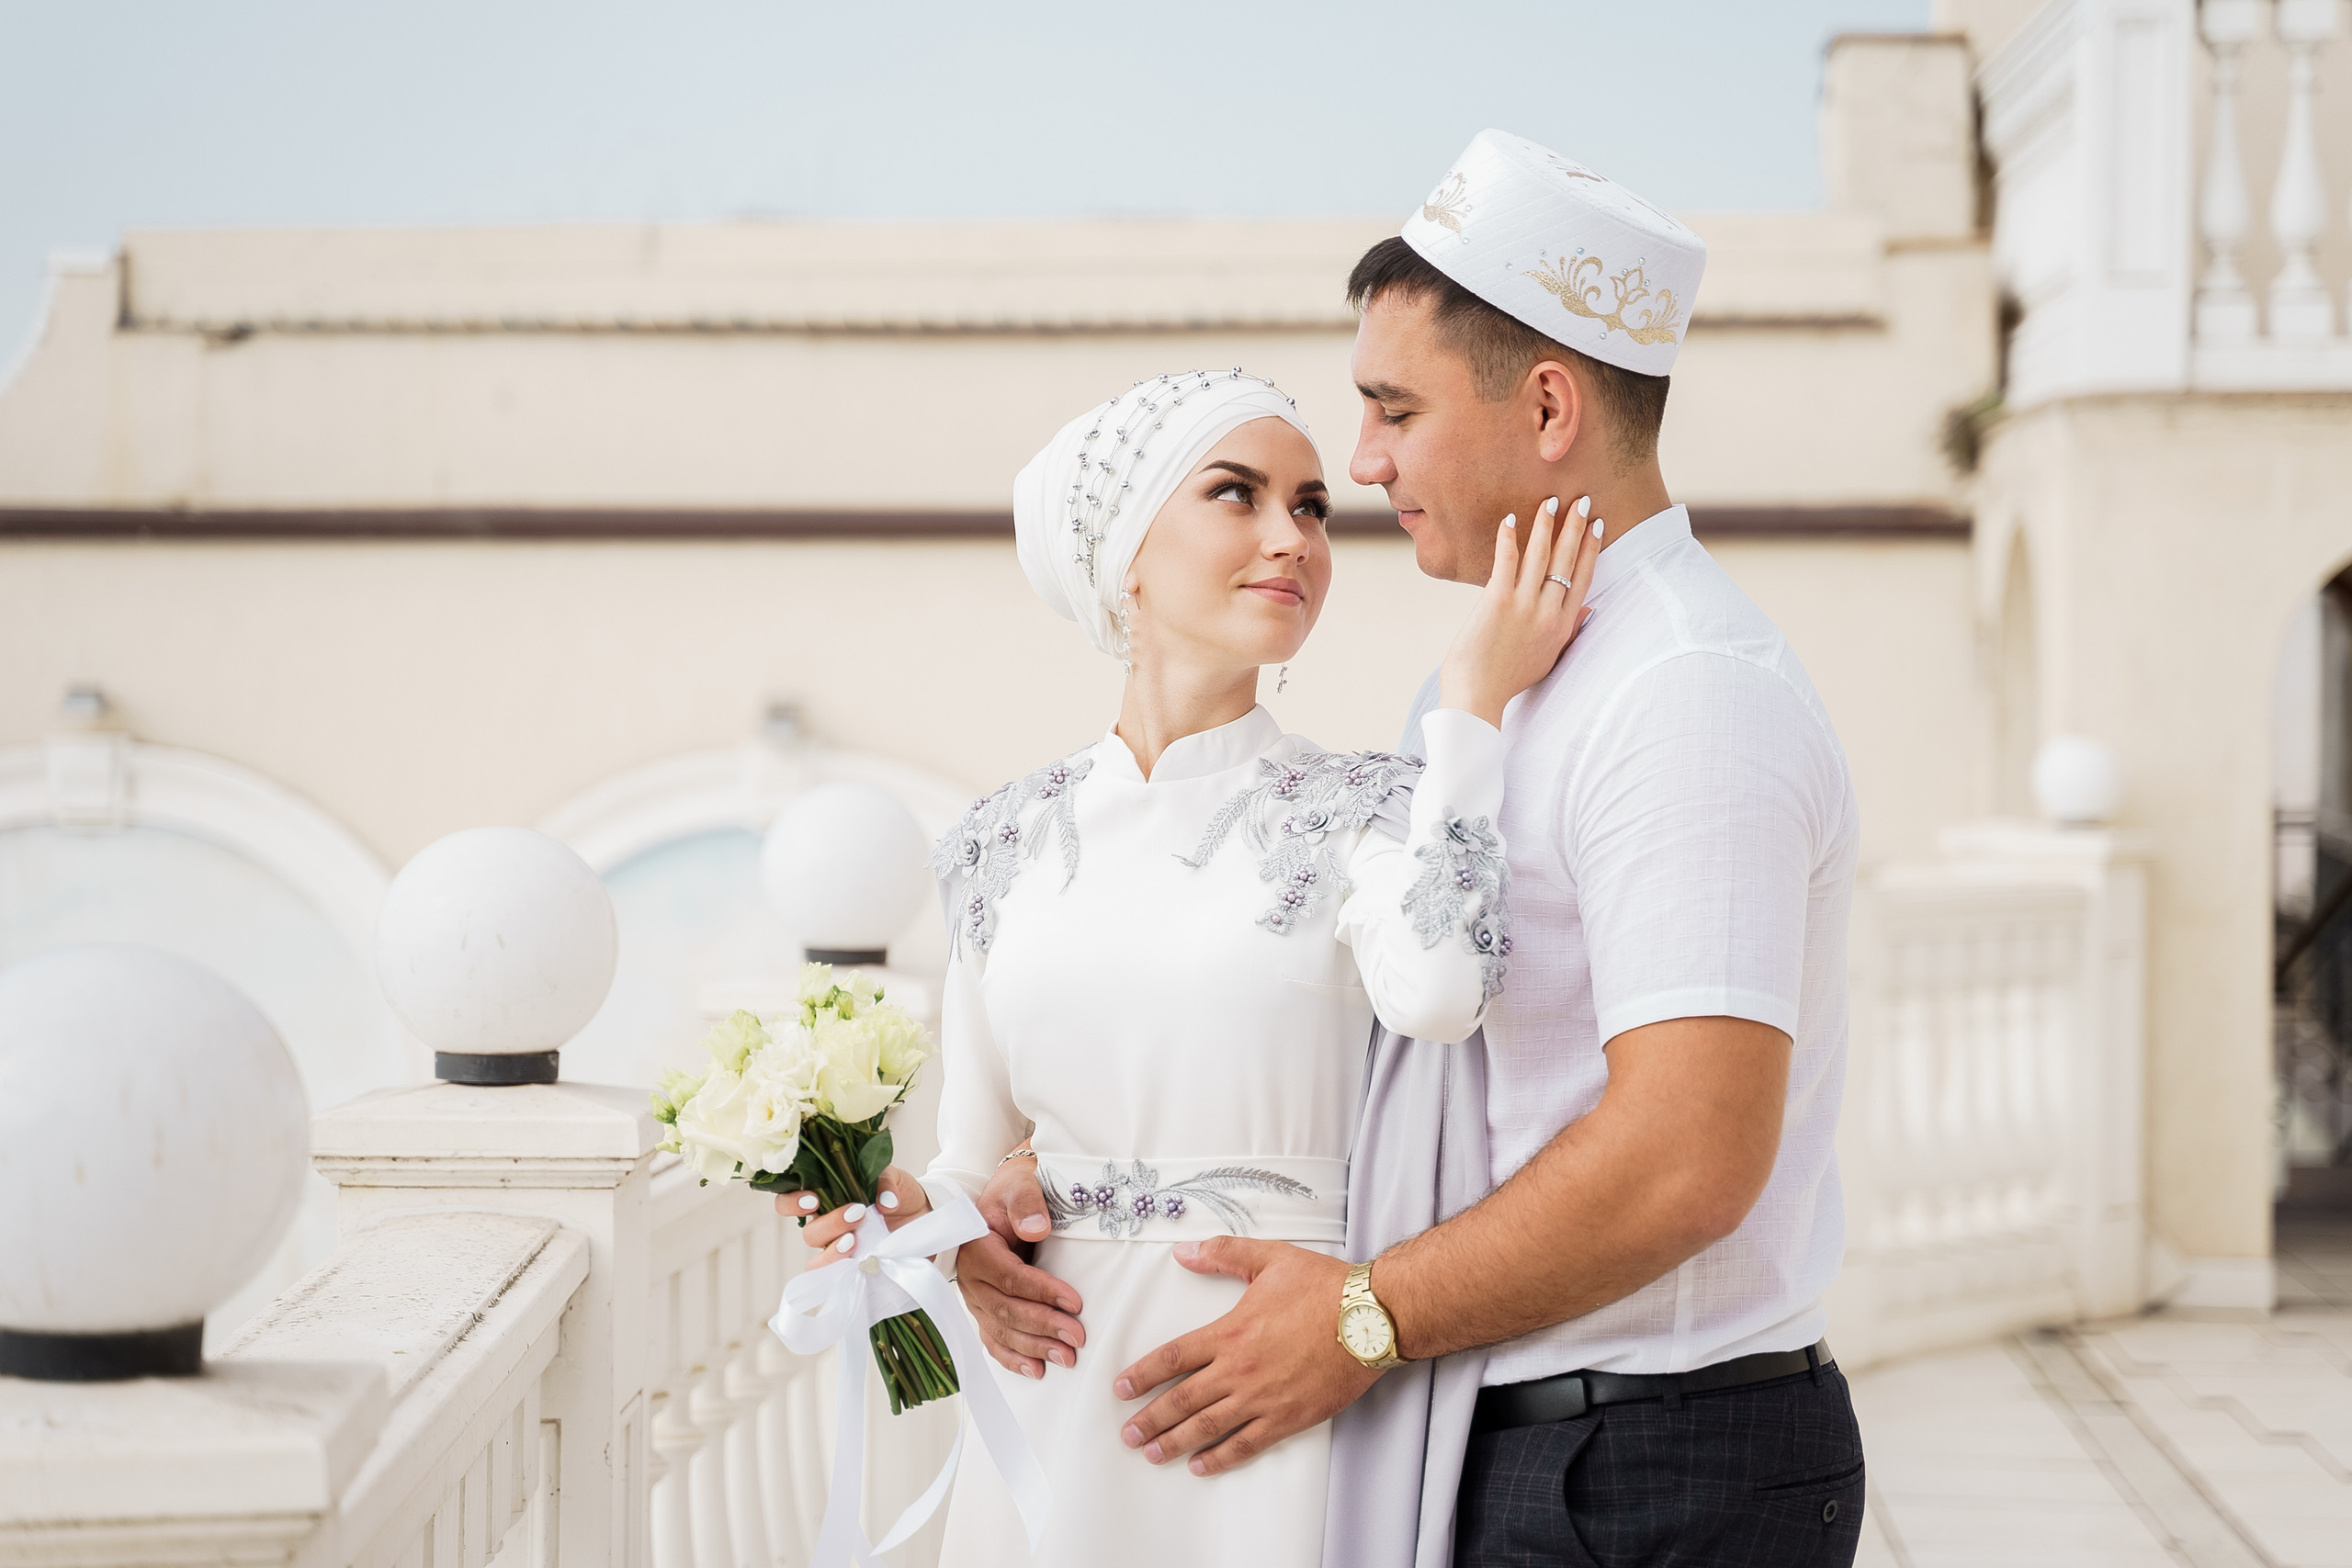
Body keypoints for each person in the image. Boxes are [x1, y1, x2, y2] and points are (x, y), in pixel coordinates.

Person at [956, 131, 1868, 1568]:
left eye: (1391, 411)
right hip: (1505, 1428)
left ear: (1551, 404)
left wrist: (1364, 1315)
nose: (1364, 467)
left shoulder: (1685, 696)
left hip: (1646, 1458)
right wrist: (1026, 1174)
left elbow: (1687, 1158)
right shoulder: (1503, 689)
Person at [782, 365, 1599, 1566]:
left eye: (1313, 506)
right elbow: (970, 1161)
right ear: (1127, 557)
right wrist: (913, 1229)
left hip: (1271, 1382)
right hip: (1057, 1395)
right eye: (1239, 495)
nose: (1293, 538)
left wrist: (1471, 708)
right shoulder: (1002, 842)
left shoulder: (1363, 811)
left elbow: (1441, 991)